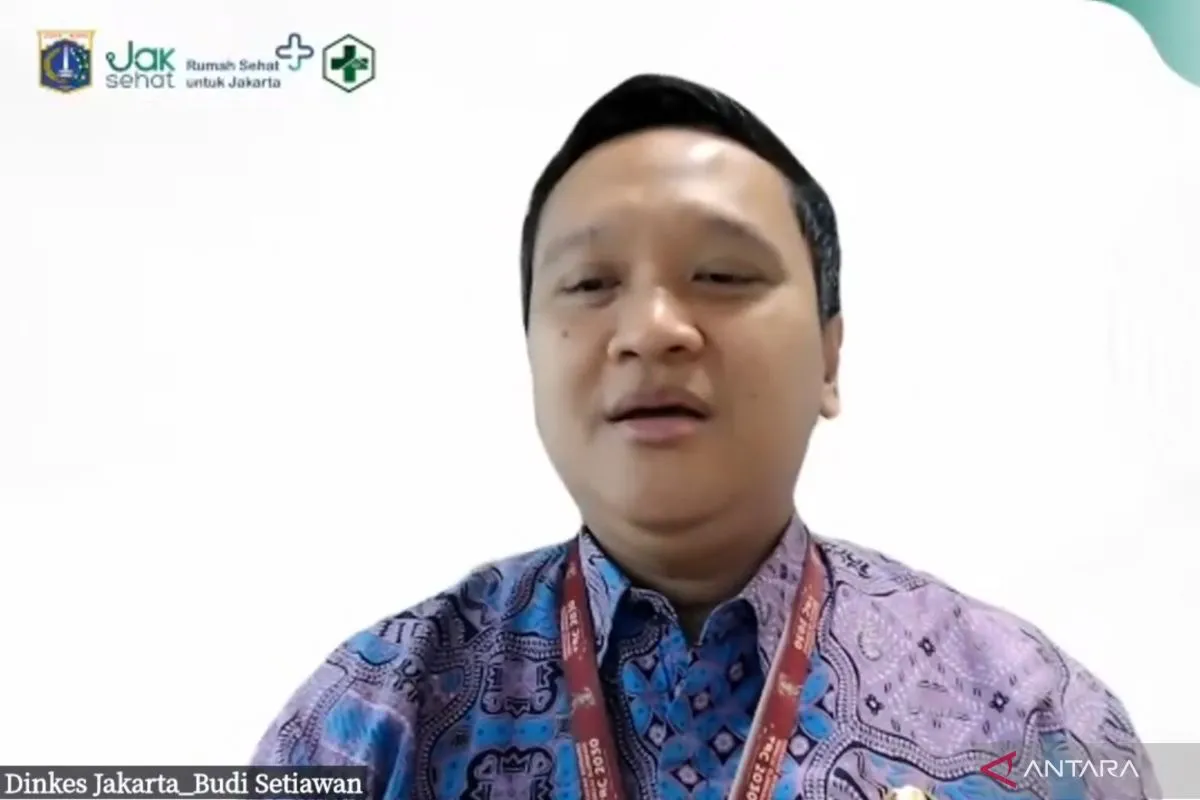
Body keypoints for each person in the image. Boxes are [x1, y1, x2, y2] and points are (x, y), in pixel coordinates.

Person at [252, 74, 1157, 800]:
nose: (651, 330)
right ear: (531, 354)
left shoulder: (1036, 726)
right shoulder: (365, 721)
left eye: (721, 274)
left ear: (829, 357)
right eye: (590, 284)